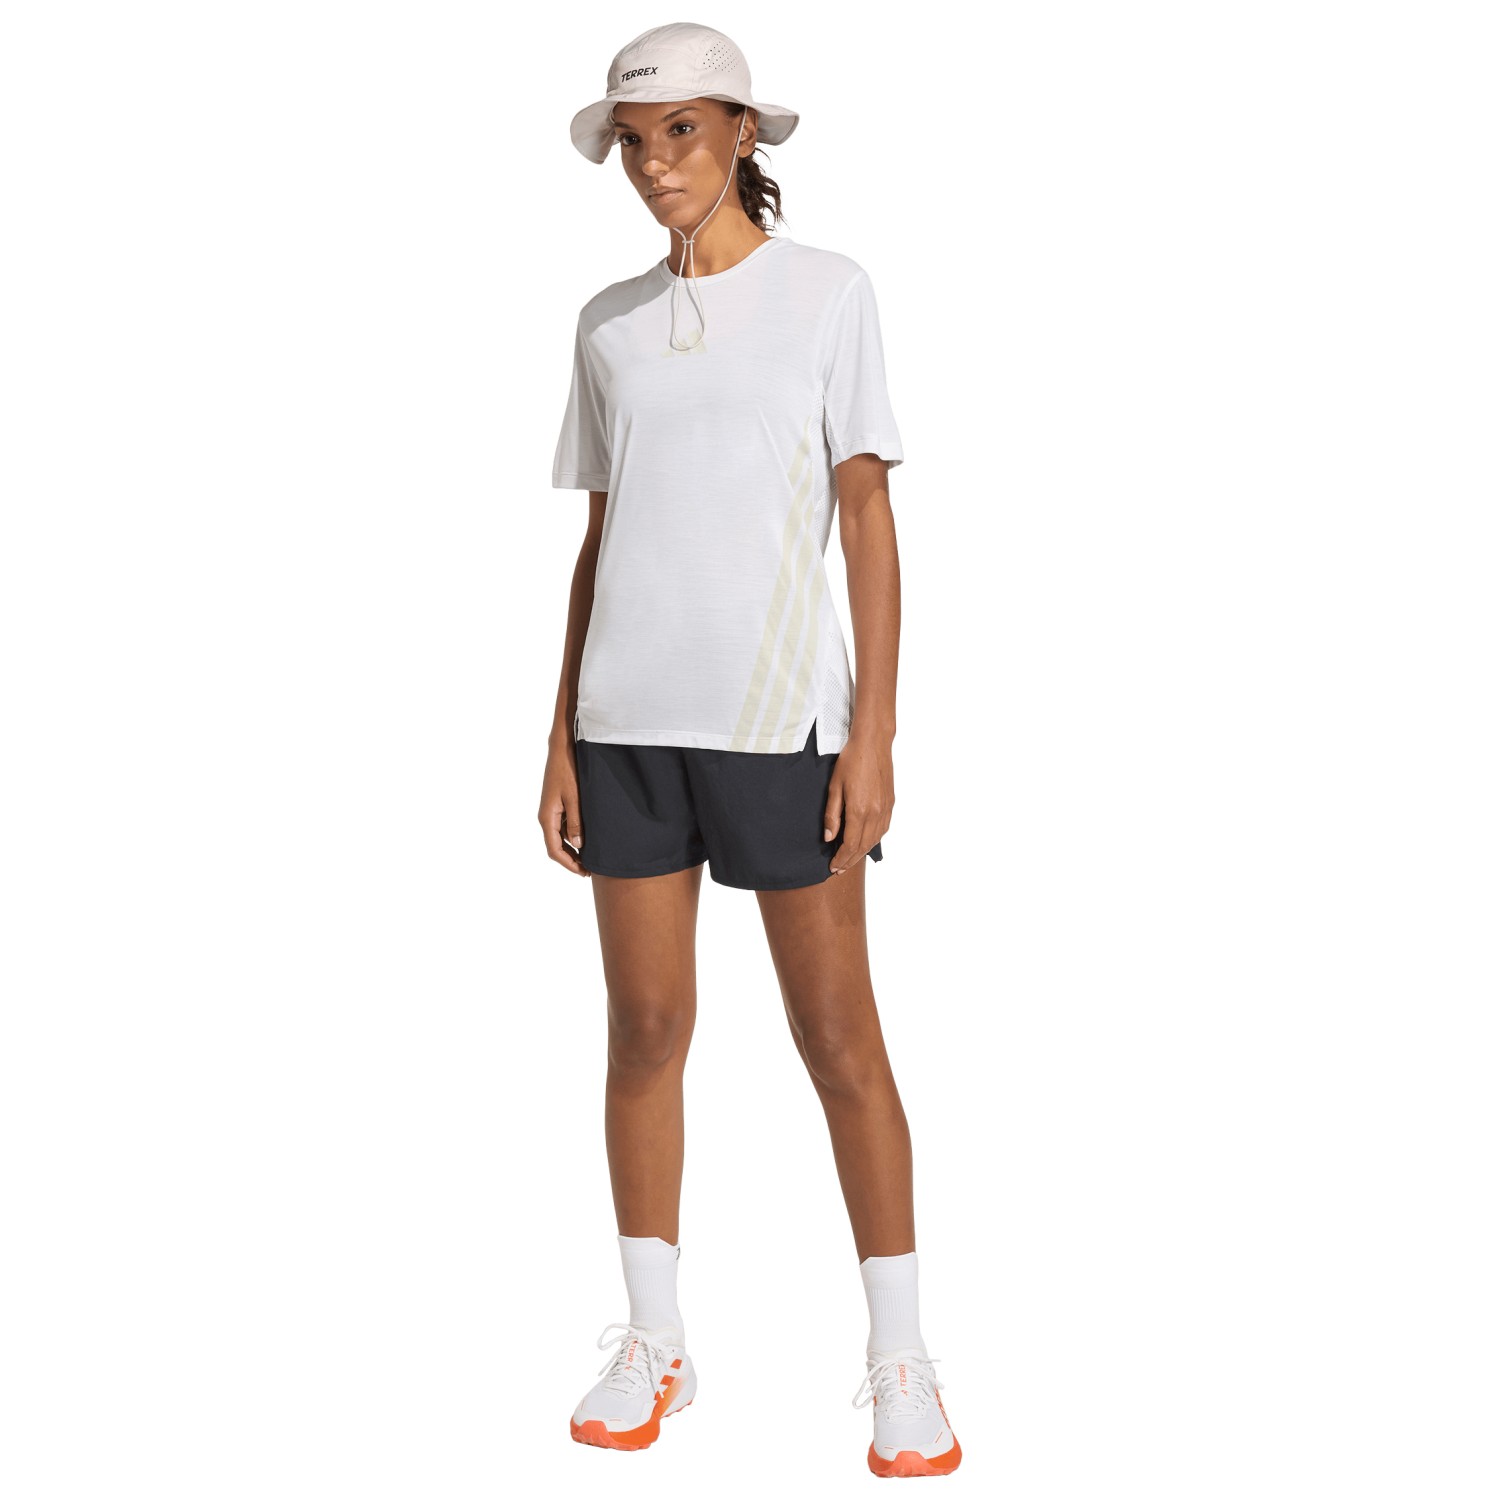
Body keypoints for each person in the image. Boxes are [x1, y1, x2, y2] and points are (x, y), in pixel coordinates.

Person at [538, 22, 961, 1479]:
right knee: (645, 1033)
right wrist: (559, 732)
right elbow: (602, 539)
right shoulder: (607, 323)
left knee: (839, 1039)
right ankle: (654, 1336)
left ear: (740, 135)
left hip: (783, 730)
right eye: (634, 140)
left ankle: (901, 1359)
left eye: (681, 132)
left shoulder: (828, 294)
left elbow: (869, 521)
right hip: (625, 728)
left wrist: (875, 734)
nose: (656, 163)